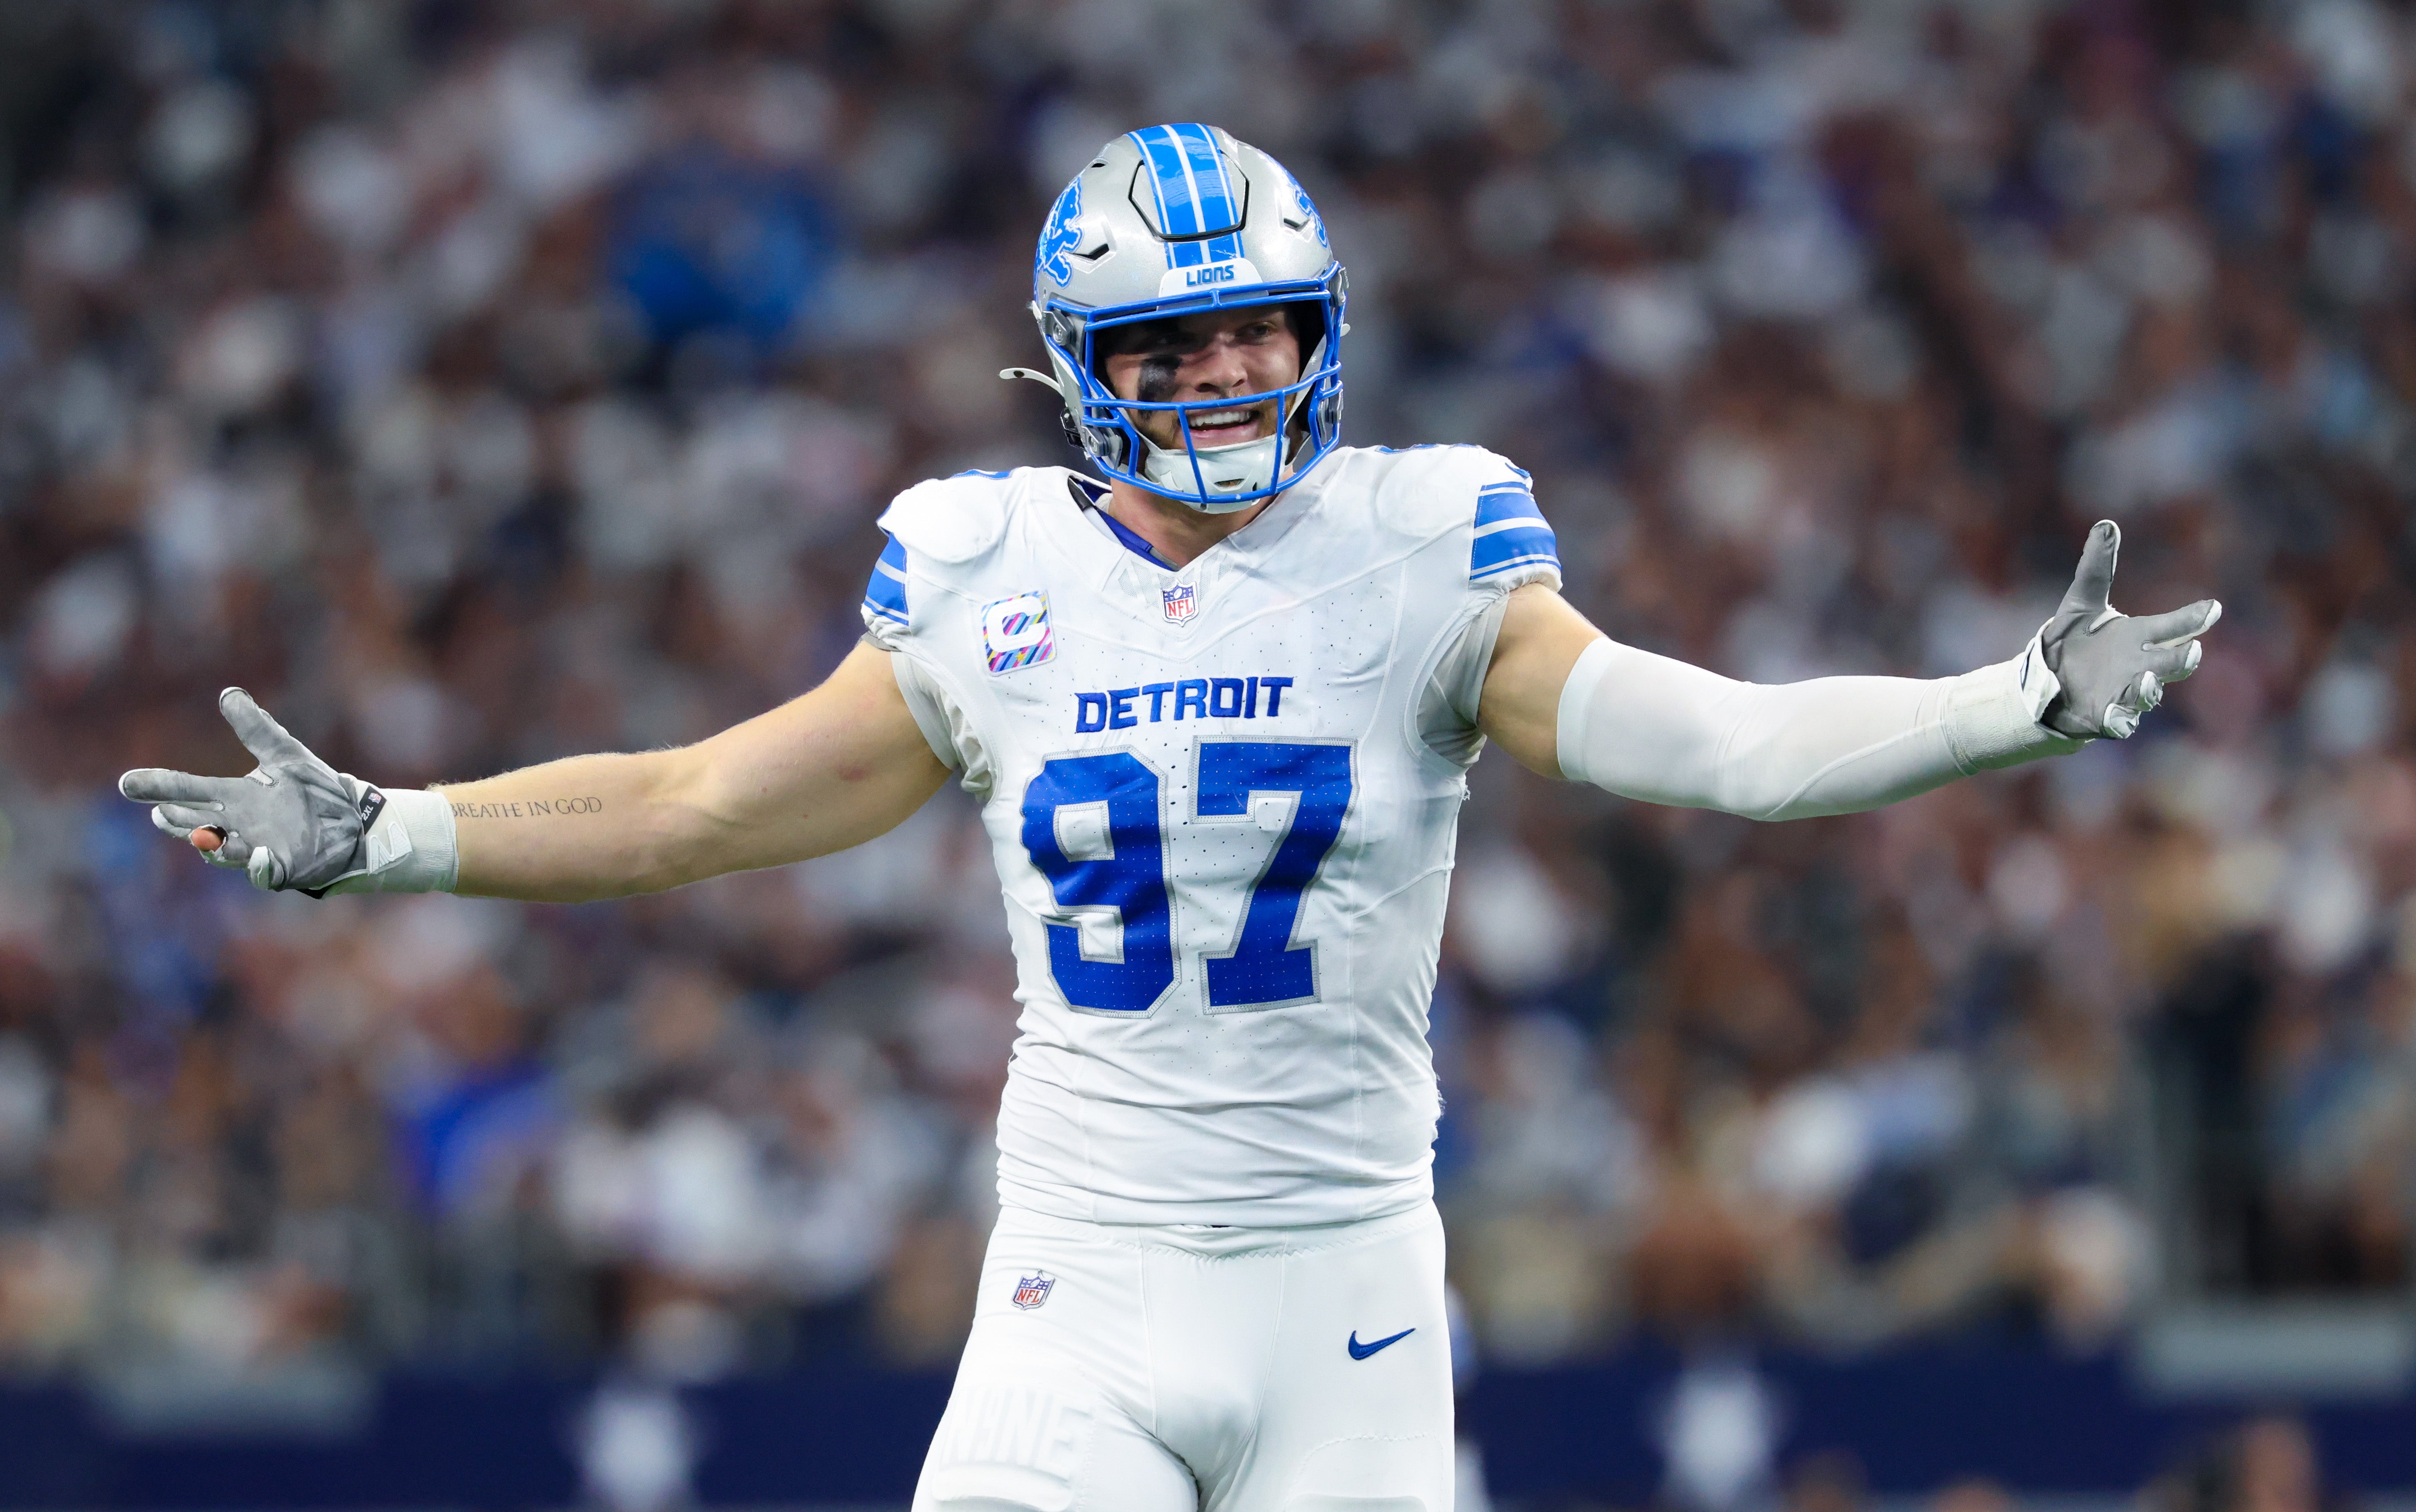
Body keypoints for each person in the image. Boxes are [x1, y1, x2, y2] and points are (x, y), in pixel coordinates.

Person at [119, 124, 2219, 1512]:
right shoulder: (977, 570)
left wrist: (2007, 703)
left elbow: (1724, 744)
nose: (1224, 373)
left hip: (1348, 1292)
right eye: (1173, 337)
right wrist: (386, 830)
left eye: (1257, 329)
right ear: (1078, 358)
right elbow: (689, 804)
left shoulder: (1424, 546)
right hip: (1082, 1284)